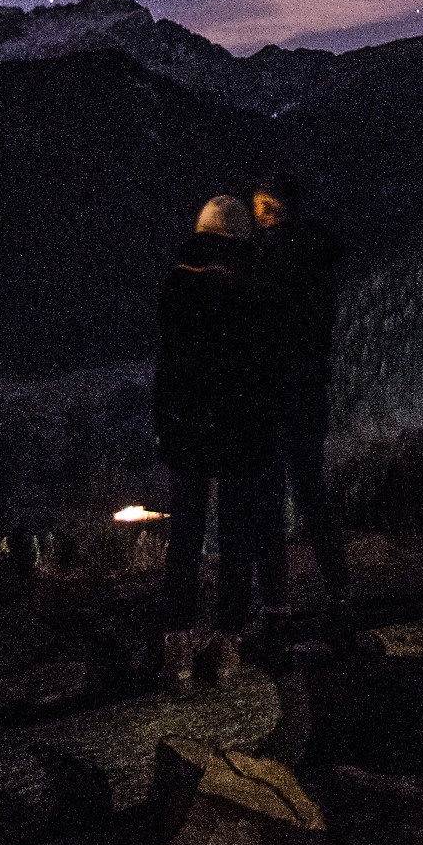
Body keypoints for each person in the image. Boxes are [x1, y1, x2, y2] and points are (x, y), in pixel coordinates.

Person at [153, 193, 289, 660]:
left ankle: (176, 636)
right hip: (236, 426)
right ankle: (229, 633)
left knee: (186, 532)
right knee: (235, 529)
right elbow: (257, 363)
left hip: (186, 424)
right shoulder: (246, 286)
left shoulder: (177, 282)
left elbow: (168, 364)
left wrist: (168, 424)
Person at [250, 171, 350, 636]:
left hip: (275, 395)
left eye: (265, 208)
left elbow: (264, 330)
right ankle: (338, 590)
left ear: (280, 208)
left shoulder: (270, 259)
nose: (260, 219)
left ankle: (275, 603)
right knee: (310, 491)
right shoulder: (318, 257)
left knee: (272, 497)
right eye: (258, 210)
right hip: (308, 392)